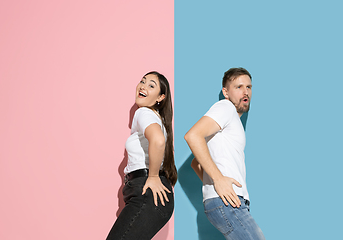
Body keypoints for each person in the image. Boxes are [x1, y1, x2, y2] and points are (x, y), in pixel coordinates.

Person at [184, 67, 265, 240]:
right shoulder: (225, 108)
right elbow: (193, 135)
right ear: (225, 92)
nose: (246, 92)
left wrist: (214, 183)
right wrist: (218, 180)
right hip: (227, 202)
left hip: (229, 201)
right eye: (239, 87)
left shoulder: (231, 120)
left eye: (249, 87)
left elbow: (195, 164)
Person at [106, 71, 177, 240]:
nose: (143, 86)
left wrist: (152, 176)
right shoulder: (157, 119)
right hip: (150, 196)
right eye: (142, 81)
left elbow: (158, 141)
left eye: (151, 85)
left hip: (147, 193)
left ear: (160, 97)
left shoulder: (144, 112)